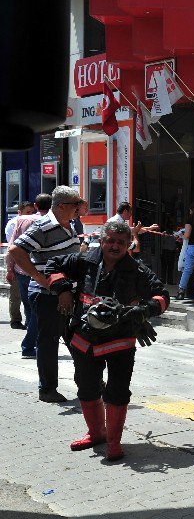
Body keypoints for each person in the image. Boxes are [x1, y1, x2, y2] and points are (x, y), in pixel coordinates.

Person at [42, 219, 168, 461]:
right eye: (110, 240)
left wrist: (145, 311)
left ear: (129, 244)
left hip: (120, 341)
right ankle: (95, 434)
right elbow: (52, 266)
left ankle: (113, 442)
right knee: (86, 387)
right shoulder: (84, 259)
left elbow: (161, 295)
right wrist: (64, 290)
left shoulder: (137, 270)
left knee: (118, 391)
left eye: (121, 242)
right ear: (102, 241)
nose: (114, 246)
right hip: (83, 339)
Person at [8, 186, 83, 402]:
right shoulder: (44, 225)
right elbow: (16, 250)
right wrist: (40, 278)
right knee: (49, 342)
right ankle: (47, 389)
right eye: (75, 204)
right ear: (61, 206)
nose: (79, 208)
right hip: (47, 295)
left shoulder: (69, 224)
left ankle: (90, 382)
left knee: (77, 339)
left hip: (70, 293)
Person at [7, 195, 50, 356]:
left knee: (31, 310)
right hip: (38, 273)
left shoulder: (21, 220)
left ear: (35, 205)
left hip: (21, 271)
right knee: (37, 312)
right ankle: (29, 345)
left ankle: (33, 343)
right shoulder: (50, 222)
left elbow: (12, 247)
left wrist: (10, 268)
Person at [5, 200, 36, 329]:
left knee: (28, 298)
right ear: (20, 212)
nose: (30, 214)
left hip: (30, 264)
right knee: (16, 294)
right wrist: (10, 268)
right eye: (27, 212)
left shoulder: (34, 221)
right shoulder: (13, 224)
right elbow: (12, 247)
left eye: (31, 212)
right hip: (18, 264)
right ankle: (16, 320)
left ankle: (29, 322)